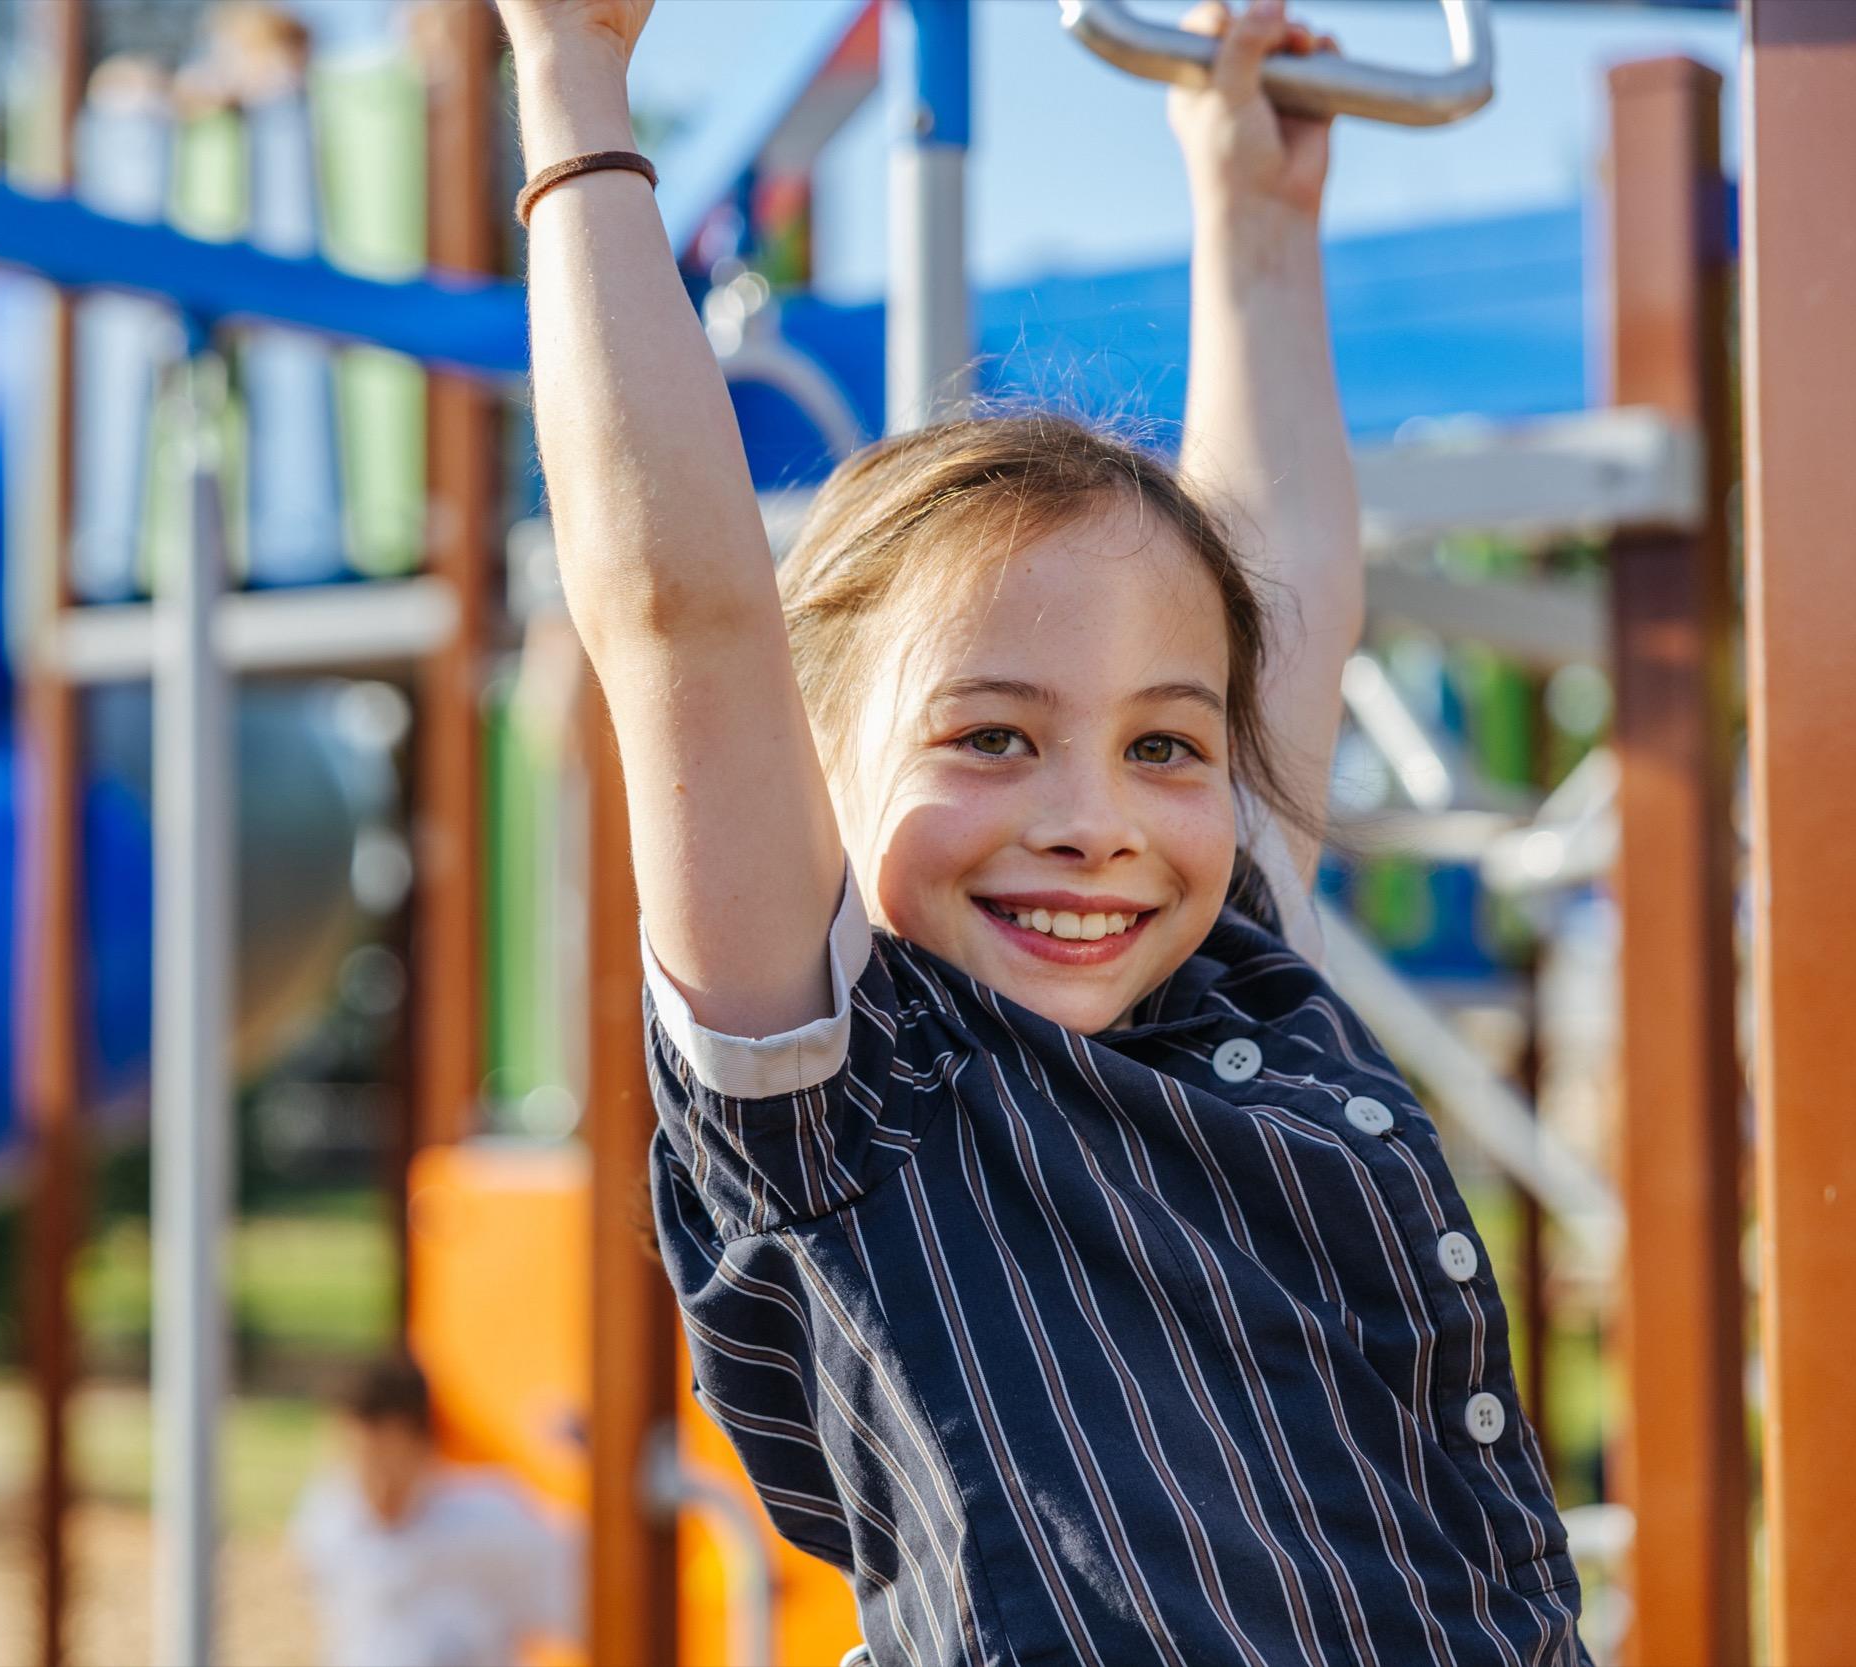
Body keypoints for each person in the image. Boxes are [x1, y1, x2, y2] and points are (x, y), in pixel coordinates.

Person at [498, 0, 1586, 1660]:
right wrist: (572, 81)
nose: (1094, 821)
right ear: (819, 770)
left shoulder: (1231, 981)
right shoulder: (850, 1096)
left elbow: (1284, 591)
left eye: (1166, 743)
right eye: (993, 736)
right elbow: (682, 617)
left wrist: (1257, 221)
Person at [290, 1356, 577, 1667]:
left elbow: (584, 1601)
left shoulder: (494, 1521)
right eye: (355, 1458)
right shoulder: (329, 1517)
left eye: (381, 1460)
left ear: (421, 1445)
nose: (371, 1482)